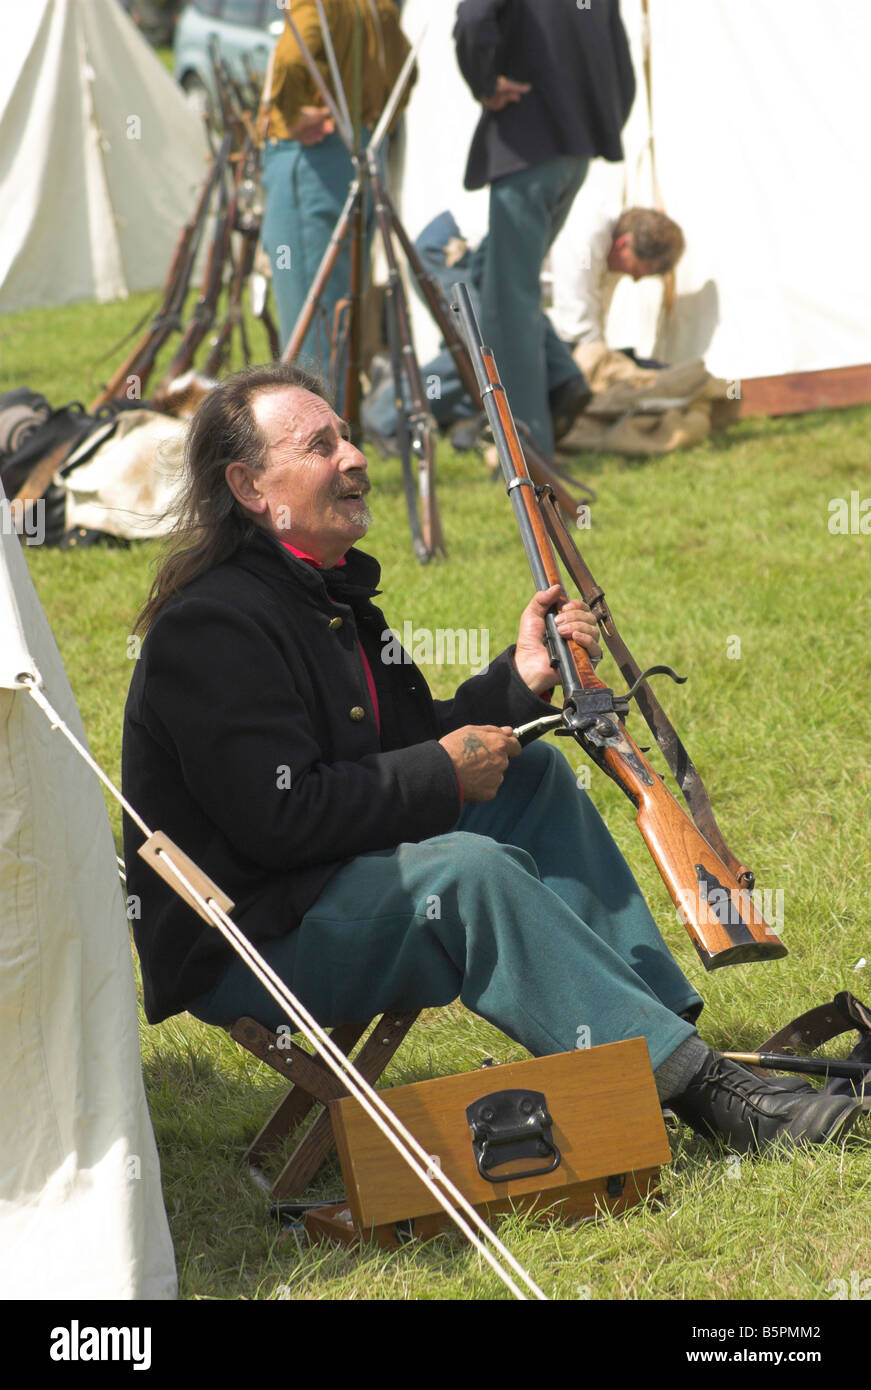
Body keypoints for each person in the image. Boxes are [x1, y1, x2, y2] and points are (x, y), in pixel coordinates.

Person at [121, 361, 862, 1156]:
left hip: (319, 879)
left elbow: (409, 743)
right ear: (249, 486)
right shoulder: (211, 630)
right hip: (255, 934)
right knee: (465, 874)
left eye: (346, 435)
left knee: (533, 776)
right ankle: (712, 1095)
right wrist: (440, 773)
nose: (353, 458)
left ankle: (660, 1039)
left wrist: (519, 681)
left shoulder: (330, 598)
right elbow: (279, 819)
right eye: (319, 445)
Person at [452, 0, 636, 455]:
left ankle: (527, 451)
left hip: (529, 148)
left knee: (507, 306)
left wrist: (485, 83)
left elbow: (474, 19)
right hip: (575, 153)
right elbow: (622, 64)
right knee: (488, 272)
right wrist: (596, 126)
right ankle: (562, 378)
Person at [260, 0, 410, 378]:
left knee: (312, 320)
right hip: (358, 149)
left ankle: (317, 430)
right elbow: (408, 71)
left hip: (313, 159)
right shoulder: (379, 6)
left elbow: (292, 59)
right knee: (339, 311)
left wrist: (293, 115)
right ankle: (338, 420)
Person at [549, 203, 685, 359]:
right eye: (635, 271)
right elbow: (576, 315)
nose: (635, 279)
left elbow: (596, 314)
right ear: (623, 244)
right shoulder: (584, 244)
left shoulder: (611, 248)